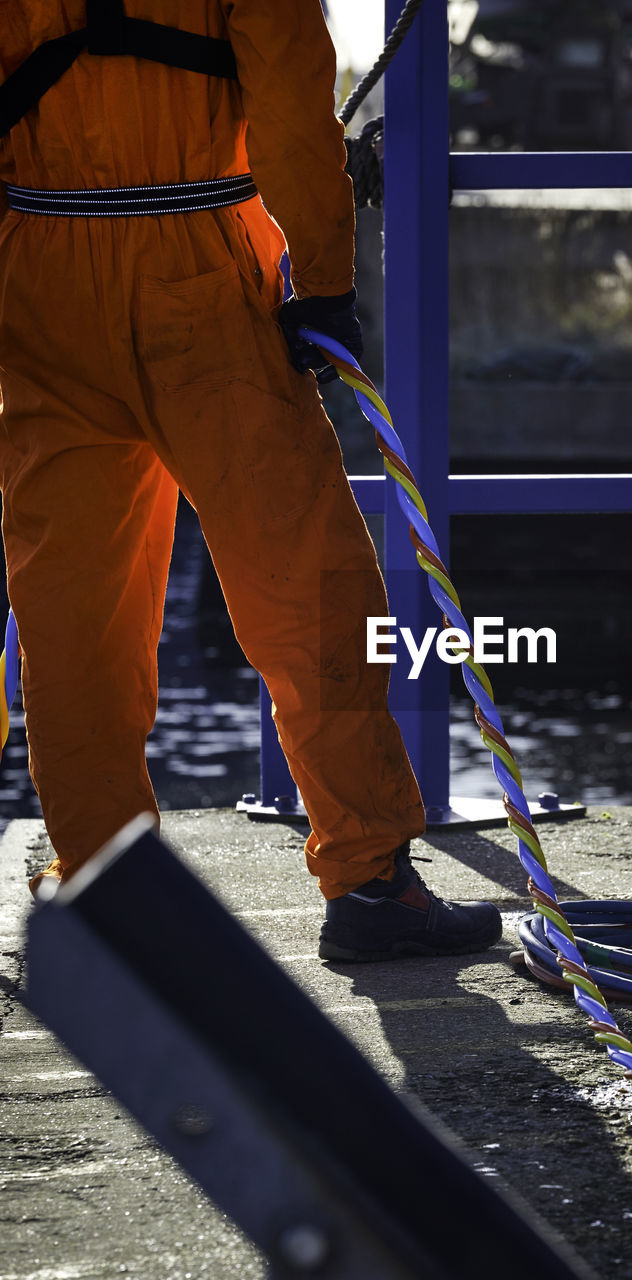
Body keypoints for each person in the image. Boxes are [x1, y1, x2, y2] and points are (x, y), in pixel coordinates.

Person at [0, 0, 501, 962]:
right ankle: (369, 881)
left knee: (74, 615)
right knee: (308, 588)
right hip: (204, 270)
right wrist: (321, 282)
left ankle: (108, 886)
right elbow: (287, 100)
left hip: (40, 281)